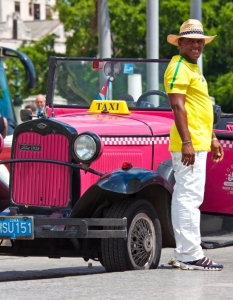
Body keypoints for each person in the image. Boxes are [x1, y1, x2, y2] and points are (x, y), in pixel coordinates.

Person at [164, 19, 224, 271]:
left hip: (199, 142)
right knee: (187, 198)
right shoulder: (177, 67)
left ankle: (188, 252)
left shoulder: (193, 68)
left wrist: (212, 138)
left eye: (200, 40)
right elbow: (177, 106)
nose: (197, 45)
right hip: (188, 144)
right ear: (180, 43)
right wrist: (187, 142)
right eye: (191, 40)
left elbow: (201, 108)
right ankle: (189, 254)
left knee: (190, 197)